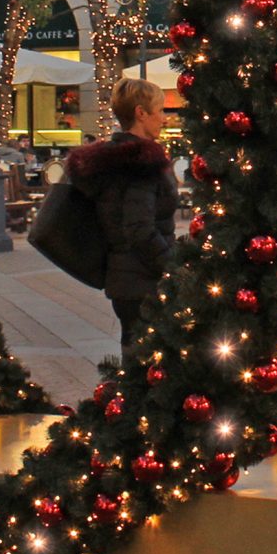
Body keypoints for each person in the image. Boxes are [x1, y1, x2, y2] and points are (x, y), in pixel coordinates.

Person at [65, 78, 178, 358]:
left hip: (124, 279)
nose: (164, 119)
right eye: (160, 111)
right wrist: (173, 268)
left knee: (136, 355)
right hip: (144, 280)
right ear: (141, 113)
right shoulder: (141, 163)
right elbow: (140, 228)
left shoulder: (112, 159)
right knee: (151, 364)